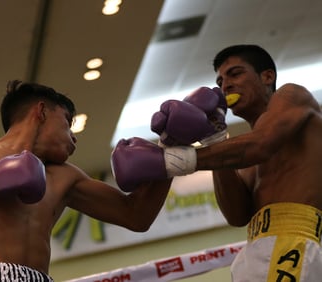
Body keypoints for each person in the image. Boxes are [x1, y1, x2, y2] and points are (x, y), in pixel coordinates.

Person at [0, 80, 178, 281]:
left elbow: (136, 216)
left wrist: (171, 150)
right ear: (41, 112)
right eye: (68, 122)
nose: (74, 138)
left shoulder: (64, 176)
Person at [113, 44, 322, 281]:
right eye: (220, 80)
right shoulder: (244, 154)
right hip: (256, 248)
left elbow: (261, 144)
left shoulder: (293, 95)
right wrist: (215, 139)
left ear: (267, 76)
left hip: (292, 244)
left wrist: (172, 161)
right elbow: (237, 215)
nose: (226, 85)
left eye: (235, 73)